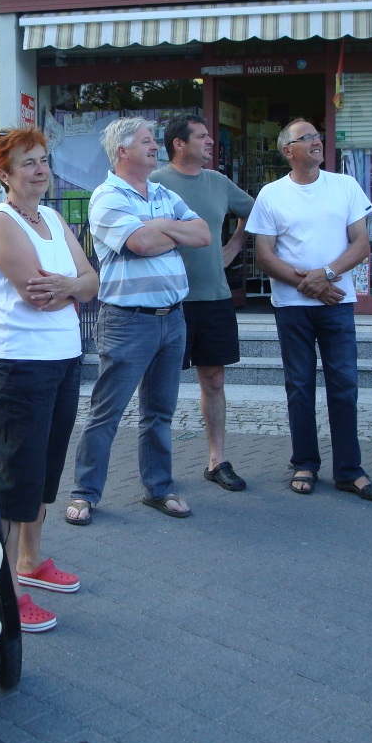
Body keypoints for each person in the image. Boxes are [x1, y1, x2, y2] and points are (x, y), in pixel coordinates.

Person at [0, 128, 99, 632]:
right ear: (4, 174)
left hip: (64, 358)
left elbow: (91, 281)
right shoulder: (1, 221)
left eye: (43, 160)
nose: (40, 170)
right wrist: (75, 287)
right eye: (27, 163)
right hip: (19, 365)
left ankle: (31, 560)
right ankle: (5, 591)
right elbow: (37, 295)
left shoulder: (51, 218)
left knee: (46, 469)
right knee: (17, 478)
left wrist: (70, 286)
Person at [66, 117, 210, 525]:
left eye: (154, 140)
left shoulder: (163, 192)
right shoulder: (107, 196)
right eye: (147, 141)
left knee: (160, 412)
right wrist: (172, 232)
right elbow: (140, 243)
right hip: (128, 321)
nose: (155, 147)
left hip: (172, 319)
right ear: (122, 151)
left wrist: (159, 225)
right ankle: (84, 493)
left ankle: (159, 488)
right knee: (106, 412)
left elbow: (202, 234)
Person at [246, 117, 372, 502]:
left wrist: (325, 275)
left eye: (317, 136)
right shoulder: (271, 194)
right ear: (287, 150)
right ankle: (304, 463)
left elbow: (361, 245)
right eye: (305, 137)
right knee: (299, 385)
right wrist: (307, 285)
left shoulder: (345, 186)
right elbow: (264, 255)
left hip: (336, 303)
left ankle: (350, 470)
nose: (316, 141)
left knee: (344, 384)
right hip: (292, 306)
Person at [150, 114, 255, 491]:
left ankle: (217, 460)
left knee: (214, 379)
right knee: (160, 387)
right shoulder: (155, 182)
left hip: (214, 297)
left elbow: (255, 211)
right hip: (168, 301)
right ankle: (156, 472)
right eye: (202, 136)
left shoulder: (218, 182)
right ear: (179, 144)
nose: (211, 141)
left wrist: (234, 245)